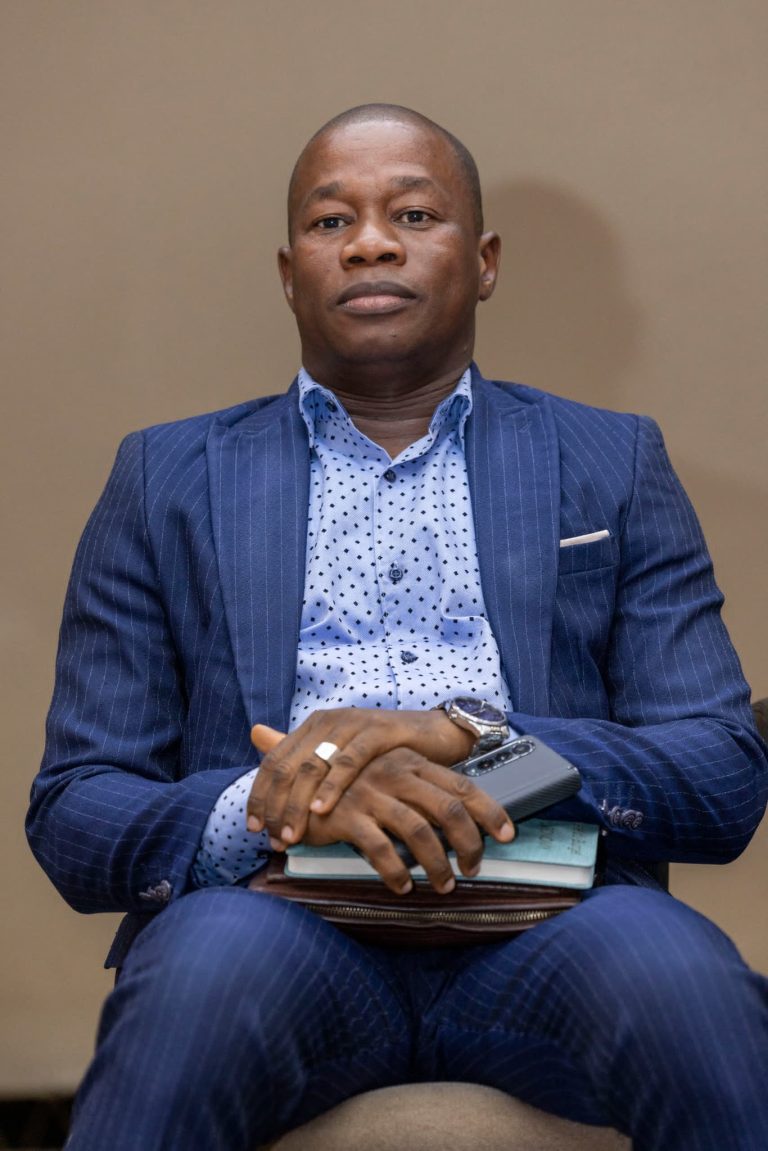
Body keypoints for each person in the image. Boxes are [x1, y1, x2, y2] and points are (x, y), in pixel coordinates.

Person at [27, 103, 768, 1150]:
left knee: (683, 978)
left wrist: (479, 743)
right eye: (332, 221)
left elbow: (721, 769)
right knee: (194, 978)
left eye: (413, 214)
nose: (370, 242)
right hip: (275, 923)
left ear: (485, 262)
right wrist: (278, 797)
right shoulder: (165, 479)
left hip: (556, 927)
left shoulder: (612, 460)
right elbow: (76, 806)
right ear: (289, 274)